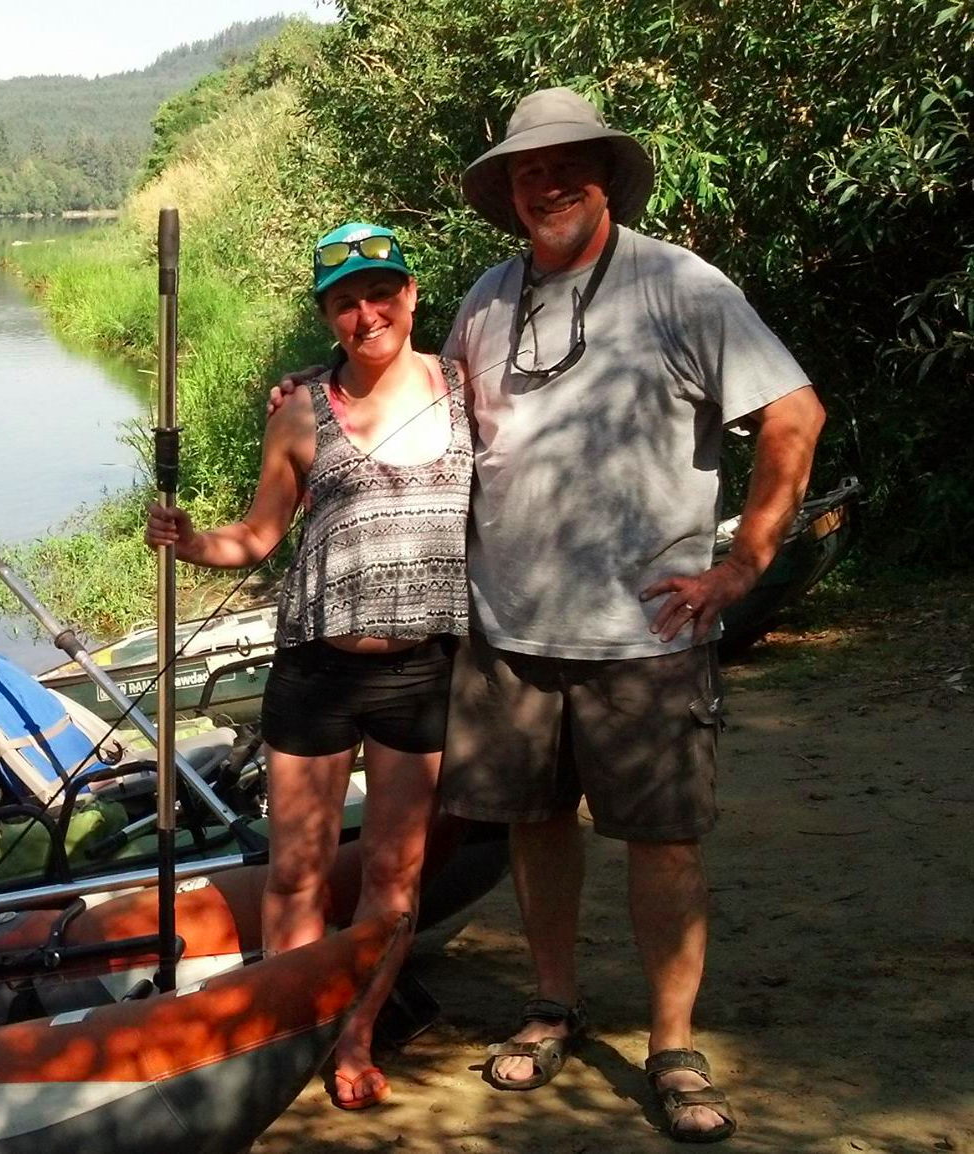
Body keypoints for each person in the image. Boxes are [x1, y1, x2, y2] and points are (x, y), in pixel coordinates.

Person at [299, 88, 822, 1143]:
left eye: (563, 165)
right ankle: (550, 1002)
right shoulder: (489, 300)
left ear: (603, 175)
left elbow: (791, 414)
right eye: (524, 173)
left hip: (646, 634)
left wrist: (743, 561)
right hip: (508, 632)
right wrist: (311, 393)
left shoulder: (678, 283)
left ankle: (671, 1045)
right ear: (506, 194)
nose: (544, 184)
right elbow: (412, 399)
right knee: (536, 829)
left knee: (663, 842)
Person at [145, 222, 471, 1111]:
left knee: (393, 877)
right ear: (326, 316)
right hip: (315, 672)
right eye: (343, 301)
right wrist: (188, 540)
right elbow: (257, 536)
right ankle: (295, 1034)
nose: (366, 313)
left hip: (421, 673)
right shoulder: (300, 410)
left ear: (409, 294)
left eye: (379, 292)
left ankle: (355, 1036)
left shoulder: (467, 390)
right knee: (294, 873)